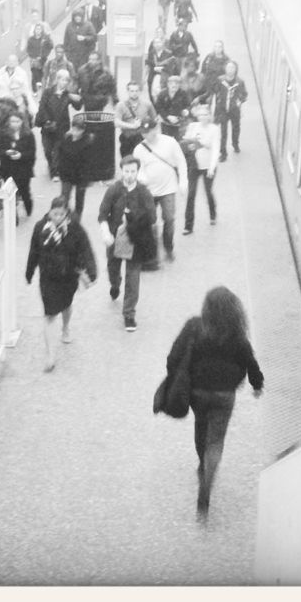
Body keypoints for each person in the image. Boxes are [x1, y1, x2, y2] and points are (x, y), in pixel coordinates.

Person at [164, 286, 263, 522]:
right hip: (224, 394)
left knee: (200, 426)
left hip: (198, 391)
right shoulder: (237, 335)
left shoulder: (194, 327)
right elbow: (250, 362)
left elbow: (173, 356)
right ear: (234, 311)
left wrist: (173, 377)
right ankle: (207, 482)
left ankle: (202, 465)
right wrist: (257, 385)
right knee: (216, 439)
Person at [25, 197, 98, 372]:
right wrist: (29, 272)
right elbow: (33, 251)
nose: (58, 217)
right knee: (50, 313)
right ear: (49, 212)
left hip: (68, 276)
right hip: (48, 277)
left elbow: (86, 249)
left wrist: (91, 270)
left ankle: (65, 328)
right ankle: (50, 355)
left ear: (66, 214)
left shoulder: (74, 229)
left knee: (66, 305)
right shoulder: (40, 228)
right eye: (55, 214)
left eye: (61, 214)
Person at [97, 156, 157, 333]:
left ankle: (129, 314)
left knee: (133, 278)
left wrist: (135, 220)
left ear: (137, 172)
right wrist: (106, 232)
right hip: (115, 239)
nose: (129, 175)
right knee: (113, 270)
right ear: (121, 171)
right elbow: (102, 215)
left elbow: (152, 217)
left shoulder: (144, 192)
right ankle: (115, 284)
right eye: (126, 171)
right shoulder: (114, 190)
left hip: (135, 240)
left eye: (133, 171)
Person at [132, 119, 188, 265]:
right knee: (150, 222)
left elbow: (181, 161)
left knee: (169, 219)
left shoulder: (170, 142)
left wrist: (183, 181)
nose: (146, 135)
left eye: (148, 132)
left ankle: (168, 247)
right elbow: (138, 169)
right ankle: (152, 252)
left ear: (155, 129)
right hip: (149, 191)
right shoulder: (139, 149)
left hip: (168, 188)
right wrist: (141, 178)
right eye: (143, 133)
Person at [181, 103, 222, 234]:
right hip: (194, 165)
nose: (203, 117)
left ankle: (212, 213)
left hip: (207, 166)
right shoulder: (192, 127)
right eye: (200, 115)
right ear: (197, 116)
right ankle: (188, 226)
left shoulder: (214, 129)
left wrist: (212, 167)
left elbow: (215, 149)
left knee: (208, 191)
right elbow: (186, 143)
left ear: (210, 116)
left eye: (205, 114)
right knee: (191, 194)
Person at [35, 68, 81, 180]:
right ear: (57, 80)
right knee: (47, 150)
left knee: (57, 150)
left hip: (62, 127)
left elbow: (78, 107)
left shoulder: (67, 94)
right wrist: (47, 121)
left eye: (66, 80)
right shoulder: (48, 92)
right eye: (62, 80)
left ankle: (55, 173)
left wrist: (75, 98)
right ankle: (52, 166)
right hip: (48, 127)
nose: (64, 83)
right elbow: (42, 108)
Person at [0, 110, 36, 218]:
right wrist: (6, 152)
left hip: (23, 169)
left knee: (24, 191)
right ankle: (13, 216)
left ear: (22, 122)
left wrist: (21, 155)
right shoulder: (3, 134)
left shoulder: (28, 134)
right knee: (10, 193)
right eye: (12, 121)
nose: (15, 124)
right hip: (8, 168)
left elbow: (32, 152)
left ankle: (28, 208)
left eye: (17, 121)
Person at [55, 115, 93, 220]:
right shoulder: (66, 138)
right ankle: (64, 216)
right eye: (74, 129)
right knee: (64, 197)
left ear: (83, 130)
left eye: (78, 130)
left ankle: (77, 219)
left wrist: (87, 177)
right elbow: (59, 153)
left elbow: (88, 162)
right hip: (66, 173)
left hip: (80, 175)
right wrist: (58, 169)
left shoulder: (87, 142)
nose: (75, 132)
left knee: (79, 198)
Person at [211, 61, 249, 161]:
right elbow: (215, 91)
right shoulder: (220, 80)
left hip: (234, 110)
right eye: (228, 67)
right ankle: (223, 153)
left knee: (236, 128)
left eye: (232, 68)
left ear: (235, 69)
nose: (230, 69)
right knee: (223, 131)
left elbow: (244, 95)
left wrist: (239, 100)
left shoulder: (240, 82)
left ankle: (235, 143)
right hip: (223, 109)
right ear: (225, 69)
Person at [114, 79, 158, 159]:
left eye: (136, 91)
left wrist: (149, 129)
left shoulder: (147, 104)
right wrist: (132, 126)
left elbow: (155, 119)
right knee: (127, 162)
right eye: (132, 91)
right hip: (127, 138)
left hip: (142, 138)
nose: (134, 93)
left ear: (140, 92)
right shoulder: (121, 105)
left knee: (142, 162)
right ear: (127, 92)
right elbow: (117, 122)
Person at [0, 52, 37, 123]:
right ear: (6, 62)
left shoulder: (22, 73)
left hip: (17, 102)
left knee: (19, 120)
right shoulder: (0, 72)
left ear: (17, 63)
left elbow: (26, 91)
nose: (11, 63)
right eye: (9, 61)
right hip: (3, 102)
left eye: (14, 61)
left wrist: (32, 109)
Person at [154, 73, 192, 140]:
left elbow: (188, 106)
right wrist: (167, 116)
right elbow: (158, 108)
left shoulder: (183, 94)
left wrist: (186, 111)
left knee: (178, 142)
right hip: (165, 122)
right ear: (168, 84)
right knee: (165, 140)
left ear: (180, 85)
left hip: (179, 123)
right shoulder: (162, 94)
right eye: (172, 84)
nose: (174, 85)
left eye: (177, 84)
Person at [24, 22, 54, 92]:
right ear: (34, 30)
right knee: (34, 74)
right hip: (34, 60)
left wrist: (49, 39)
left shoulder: (45, 39)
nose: (38, 30)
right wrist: (35, 56)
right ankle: (34, 90)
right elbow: (28, 50)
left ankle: (40, 84)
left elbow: (50, 47)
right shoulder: (31, 39)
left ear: (42, 30)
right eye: (37, 29)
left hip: (43, 59)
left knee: (42, 73)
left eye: (40, 29)